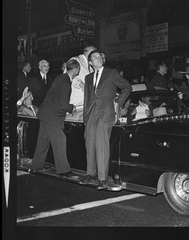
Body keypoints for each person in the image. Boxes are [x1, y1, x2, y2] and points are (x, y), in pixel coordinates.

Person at [80, 50, 132, 190]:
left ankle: (102, 178)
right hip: (91, 114)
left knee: (102, 146)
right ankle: (90, 174)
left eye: (100, 56)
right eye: (95, 57)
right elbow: (87, 98)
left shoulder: (111, 73)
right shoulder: (88, 78)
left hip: (106, 113)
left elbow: (127, 87)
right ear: (90, 63)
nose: (98, 58)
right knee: (89, 144)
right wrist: (85, 115)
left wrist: (118, 103)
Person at [30, 59, 81, 178]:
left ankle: (36, 166)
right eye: (79, 69)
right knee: (60, 139)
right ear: (76, 70)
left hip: (46, 113)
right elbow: (63, 104)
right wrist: (72, 107)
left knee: (43, 141)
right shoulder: (65, 83)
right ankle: (63, 170)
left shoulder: (60, 78)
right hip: (51, 116)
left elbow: (54, 97)